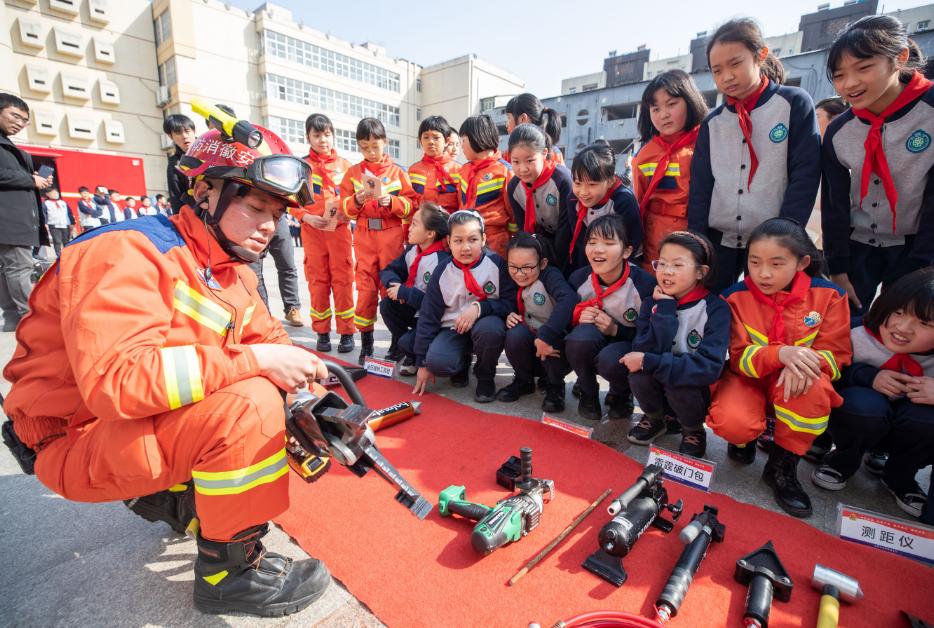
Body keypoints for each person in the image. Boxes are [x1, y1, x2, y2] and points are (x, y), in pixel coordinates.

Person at [2, 121, 333, 616]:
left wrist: (309, 396)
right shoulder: (124, 251)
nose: (269, 225)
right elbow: (118, 382)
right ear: (205, 193)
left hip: (117, 431)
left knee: (269, 389)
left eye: (277, 213)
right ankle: (231, 574)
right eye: (255, 208)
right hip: (72, 438)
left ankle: (174, 496)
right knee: (250, 404)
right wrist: (261, 365)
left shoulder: (226, 266)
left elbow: (269, 338)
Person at [706, 218, 851, 518]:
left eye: (776, 263)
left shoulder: (830, 297)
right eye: (754, 262)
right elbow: (737, 358)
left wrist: (802, 365)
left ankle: (782, 465)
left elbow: (836, 358)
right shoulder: (734, 297)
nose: (763, 273)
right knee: (732, 421)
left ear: (803, 262)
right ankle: (744, 439)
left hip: (797, 383)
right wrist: (780, 355)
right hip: (749, 379)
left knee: (814, 391)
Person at [688, 18, 822, 293]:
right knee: (713, 306)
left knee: (771, 310)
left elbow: (805, 174)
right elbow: (701, 186)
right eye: (717, 70)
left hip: (772, 241)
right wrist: (698, 241)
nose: (727, 76)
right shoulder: (712, 122)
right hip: (719, 239)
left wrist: (786, 234)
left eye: (735, 63)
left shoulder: (792, 103)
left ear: (760, 55)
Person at [821, 15, 933, 322]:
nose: (850, 84)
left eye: (864, 68)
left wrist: (924, 268)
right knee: (846, 326)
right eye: (839, 75)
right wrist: (838, 266)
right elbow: (835, 202)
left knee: (906, 329)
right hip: (859, 247)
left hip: (916, 250)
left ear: (900, 58)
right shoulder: (840, 130)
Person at [810, 266, 934, 519]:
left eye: (923, 323)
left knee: (927, 419)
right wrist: (868, 376)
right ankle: (841, 461)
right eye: (899, 312)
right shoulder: (855, 332)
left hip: (907, 429)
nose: (903, 328)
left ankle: (900, 475)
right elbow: (825, 369)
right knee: (863, 406)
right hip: (858, 422)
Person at [623, 231, 729, 457]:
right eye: (662, 263)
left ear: (701, 272)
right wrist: (665, 309)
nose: (667, 272)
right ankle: (655, 418)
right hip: (661, 376)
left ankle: (692, 428)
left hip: (695, 388)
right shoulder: (652, 302)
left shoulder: (715, 309)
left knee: (678, 380)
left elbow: (708, 367)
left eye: (677, 265)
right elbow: (645, 349)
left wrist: (652, 361)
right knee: (638, 373)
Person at [410, 210, 515, 402]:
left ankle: (485, 376)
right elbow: (428, 316)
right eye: (458, 241)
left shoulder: (496, 264)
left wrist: (479, 308)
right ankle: (462, 361)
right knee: (438, 363)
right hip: (452, 328)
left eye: (473, 239)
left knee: (491, 330)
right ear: (448, 241)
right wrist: (422, 363)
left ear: (483, 239)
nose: (466, 247)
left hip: (485, 324)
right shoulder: (442, 271)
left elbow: (510, 302)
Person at [341, 117, 417, 364]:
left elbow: (411, 206)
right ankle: (366, 344)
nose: (371, 152)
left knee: (391, 288)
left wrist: (392, 201)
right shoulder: (353, 174)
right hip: (363, 236)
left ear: (385, 142)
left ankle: (396, 343)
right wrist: (357, 200)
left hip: (391, 236)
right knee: (365, 289)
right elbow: (345, 210)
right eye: (365, 147)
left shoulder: (398, 173)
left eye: (375, 145)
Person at [566, 215, 655, 420]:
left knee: (611, 360)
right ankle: (588, 393)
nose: (598, 249)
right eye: (592, 242)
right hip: (592, 339)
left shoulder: (644, 286)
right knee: (577, 340)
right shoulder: (579, 279)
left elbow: (651, 337)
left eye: (608, 243)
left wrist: (616, 330)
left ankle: (621, 394)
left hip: (627, 342)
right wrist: (578, 317)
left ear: (627, 251)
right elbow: (563, 322)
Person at [632, 70, 708, 271]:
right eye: (655, 109)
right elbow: (638, 201)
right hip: (653, 236)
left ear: (690, 102)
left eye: (671, 104)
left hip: (693, 233)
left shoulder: (705, 144)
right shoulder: (645, 154)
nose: (663, 115)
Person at [295, 113, 356, 352]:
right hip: (312, 233)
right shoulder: (301, 167)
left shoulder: (346, 167)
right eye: (317, 135)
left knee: (343, 282)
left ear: (334, 135)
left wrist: (347, 213)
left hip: (339, 233)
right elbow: (292, 200)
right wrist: (306, 217)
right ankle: (322, 332)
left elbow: (355, 200)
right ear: (308, 137)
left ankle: (346, 333)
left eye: (327, 134)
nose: (323, 140)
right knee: (318, 283)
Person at [497, 234, 578, 412]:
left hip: (553, 339)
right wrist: (508, 315)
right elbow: (501, 301)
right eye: (513, 267)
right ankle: (523, 380)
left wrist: (546, 334)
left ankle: (555, 386)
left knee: (553, 342)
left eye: (527, 267)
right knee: (514, 333)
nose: (519, 273)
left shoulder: (550, 276)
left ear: (542, 263)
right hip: (529, 339)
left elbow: (569, 299)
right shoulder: (509, 277)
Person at [380, 202, 451, 375]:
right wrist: (394, 284)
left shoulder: (441, 261)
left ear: (430, 233)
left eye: (414, 224)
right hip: (416, 310)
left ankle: (416, 349)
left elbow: (437, 305)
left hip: (435, 319)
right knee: (387, 305)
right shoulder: (413, 250)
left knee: (408, 340)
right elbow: (389, 270)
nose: (409, 229)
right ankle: (409, 350)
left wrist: (405, 292)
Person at [0, 93, 50, 332]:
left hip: (12, 219)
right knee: (19, 268)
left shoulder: (6, 144)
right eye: (15, 116)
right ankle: (29, 318)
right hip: (9, 220)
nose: (20, 123)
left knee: (8, 269)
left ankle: (13, 318)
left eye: (24, 120)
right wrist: (31, 180)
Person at [506, 124, 573, 270]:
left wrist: (556, 265)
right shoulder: (513, 187)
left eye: (530, 161)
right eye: (516, 162)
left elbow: (565, 227)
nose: (522, 169)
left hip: (568, 245)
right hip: (540, 243)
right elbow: (522, 226)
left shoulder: (562, 180)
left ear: (544, 153)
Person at [567, 142, 641, 273]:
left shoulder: (623, 201)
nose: (583, 192)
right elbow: (581, 240)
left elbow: (632, 242)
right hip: (589, 260)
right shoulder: (573, 199)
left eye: (592, 184)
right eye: (577, 183)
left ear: (611, 181)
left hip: (622, 264)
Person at [457, 115, 514, 257]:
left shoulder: (505, 170)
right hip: (465, 241)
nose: (461, 146)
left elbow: (514, 214)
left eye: (463, 140)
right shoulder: (463, 171)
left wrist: (512, 241)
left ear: (476, 138)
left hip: (495, 244)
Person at [408, 116, 460, 211]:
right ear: (420, 141)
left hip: (448, 224)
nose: (430, 142)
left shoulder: (458, 171)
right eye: (426, 137)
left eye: (436, 137)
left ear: (446, 141)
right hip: (421, 223)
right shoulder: (413, 171)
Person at [504, 93, 565, 165]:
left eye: (509, 118)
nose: (506, 124)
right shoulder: (555, 153)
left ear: (523, 119)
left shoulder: (511, 153)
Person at [164, 114, 197, 215]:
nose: (184, 136)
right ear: (171, 136)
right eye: (178, 133)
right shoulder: (174, 165)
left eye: (187, 131)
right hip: (199, 217)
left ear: (194, 131)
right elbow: (176, 200)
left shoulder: (212, 149)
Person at [42, 188, 74, 256]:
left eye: (56, 192)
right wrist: (45, 223)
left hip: (65, 224)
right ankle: (59, 255)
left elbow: (69, 213)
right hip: (53, 224)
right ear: (47, 194)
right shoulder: (46, 203)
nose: (55, 194)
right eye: (53, 193)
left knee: (66, 240)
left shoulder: (63, 202)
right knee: (57, 241)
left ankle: (68, 254)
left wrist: (72, 222)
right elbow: (44, 214)